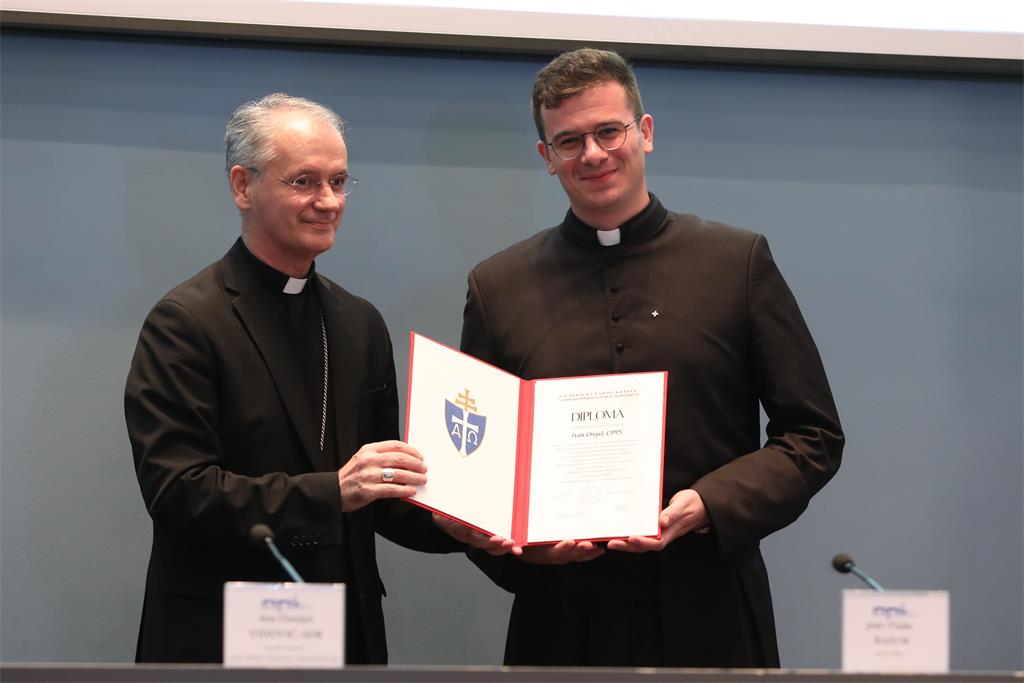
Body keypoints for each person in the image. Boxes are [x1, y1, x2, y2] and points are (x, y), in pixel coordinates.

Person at [460, 49, 844, 667]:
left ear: (645, 131)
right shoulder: (497, 286)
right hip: (562, 617)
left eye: (608, 131)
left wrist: (710, 503)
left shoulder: (736, 263)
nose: (592, 154)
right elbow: (476, 469)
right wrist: (523, 549)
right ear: (546, 157)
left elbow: (814, 435)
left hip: (711, 604)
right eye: (569, 141)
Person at [125, 93, 510, 664]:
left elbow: (382, 494)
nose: (327, 201)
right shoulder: (185, 322)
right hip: (223, 637)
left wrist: (450, 522)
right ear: (243, 186)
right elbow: (179, 493)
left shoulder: (358, 322)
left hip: (345, 636)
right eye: (303, 181)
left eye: (338, 181)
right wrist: (334, 491)